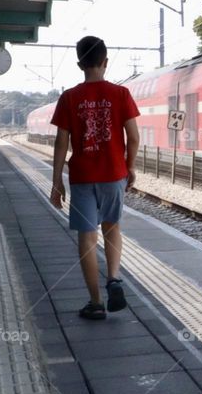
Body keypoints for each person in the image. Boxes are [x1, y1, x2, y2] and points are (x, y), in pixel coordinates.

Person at [50, 36, 140, 320]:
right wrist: (130, 166)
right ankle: (113, 278)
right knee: (112, 228)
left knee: (87, 238)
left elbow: (60, 144)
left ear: (80, 64)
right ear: (105, 62)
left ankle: (95, 302)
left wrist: (56, 182)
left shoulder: (69, 97)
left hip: (82, 176)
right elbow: (134, 137)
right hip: (114, 174)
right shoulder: (121, 94)